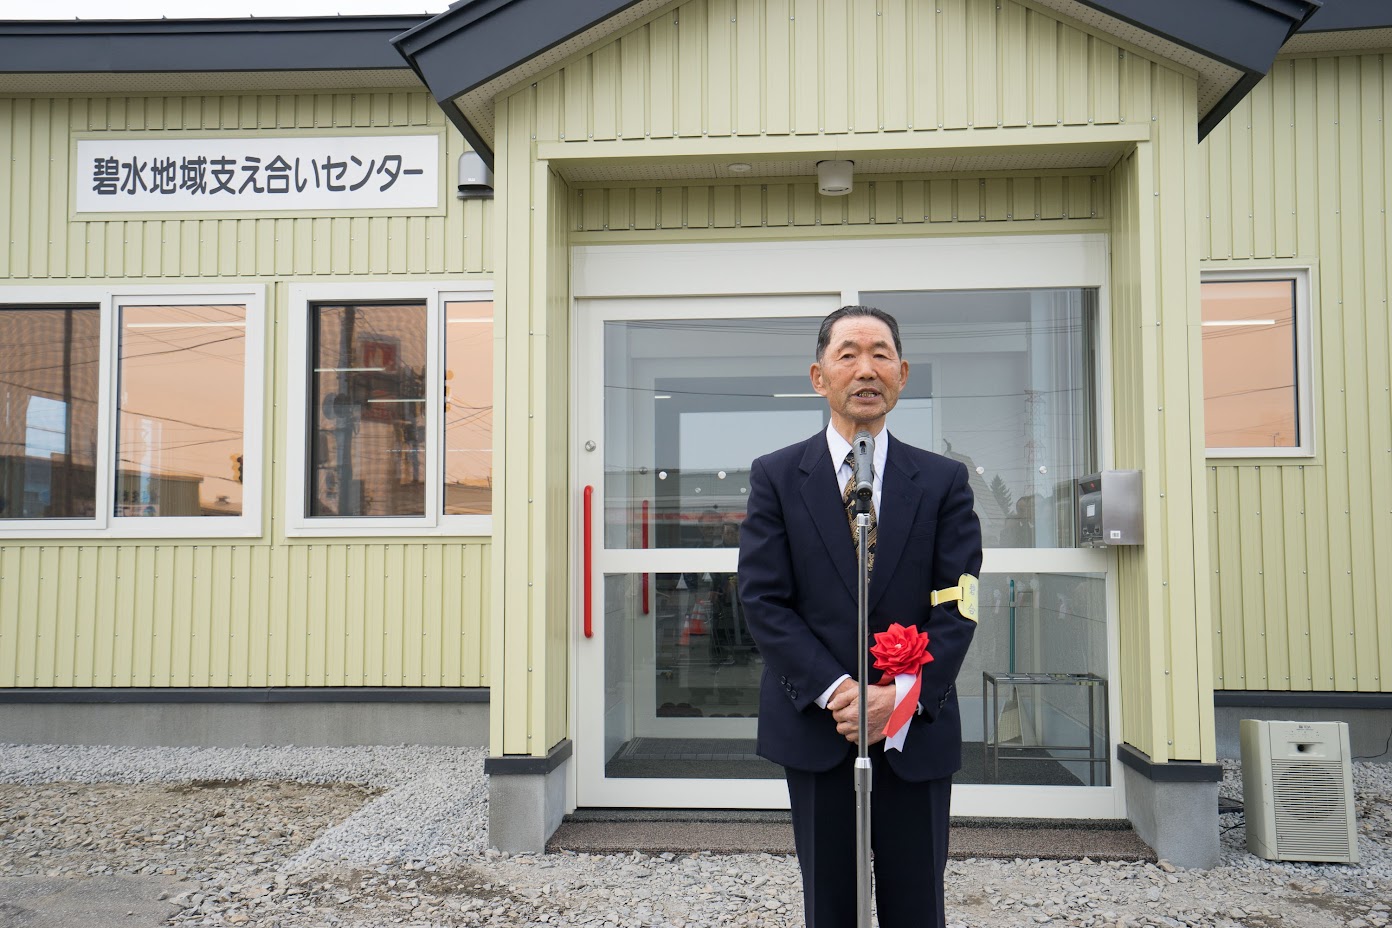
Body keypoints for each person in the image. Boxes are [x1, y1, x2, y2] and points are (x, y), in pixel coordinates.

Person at [738, 305, 983, 928]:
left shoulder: (942, 480)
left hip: (914, 731)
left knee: (917, 902)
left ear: (901, 373)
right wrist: (842, 691)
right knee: (830, 904)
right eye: (848, 353)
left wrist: (898, 698)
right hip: (820, 727)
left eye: (880, 354)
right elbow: (764, 599)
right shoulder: (776, 477)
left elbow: (958, 601)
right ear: (819, 375)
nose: (865, 368)